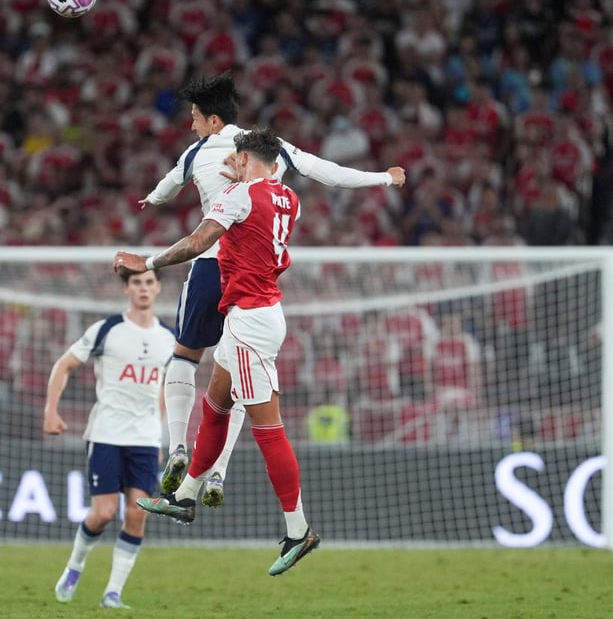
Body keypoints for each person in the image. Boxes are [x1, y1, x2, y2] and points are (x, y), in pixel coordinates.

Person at [140, 72, 405, 505]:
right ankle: (218, 472)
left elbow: (167, 189)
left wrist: (150, 199)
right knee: (244, 374)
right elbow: (328, 173)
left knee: (186, 357)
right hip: (256, 279)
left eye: (193, 117)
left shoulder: (196, 153)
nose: (191, 125)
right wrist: (382, 177)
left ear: (210, 120)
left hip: (212, 265)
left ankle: (177, 449)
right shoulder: (269, 147)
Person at [116, 127, 319, 576]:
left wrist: (145, 264)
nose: (233, 163)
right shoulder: (288, 197)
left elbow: (197, 243)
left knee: (270, 429)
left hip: (249, 322)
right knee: (215, 405)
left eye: (237, 158)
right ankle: (185, 497)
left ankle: (298, 529)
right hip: (259, 312)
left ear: (245, 159)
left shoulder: (239, 197)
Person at [44, 269, 176, 609]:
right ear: (126, 289)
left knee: (137, 513)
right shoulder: (107, 329)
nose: (144, 288)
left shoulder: (169, 338)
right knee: (102, 513)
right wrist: (51, 411)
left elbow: (165, 389)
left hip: (145, 438)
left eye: (149, 282)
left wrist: (159, 435)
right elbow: (64, 365)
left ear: (158, 288)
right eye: (137, 283)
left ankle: (112, 594)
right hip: (106, 432)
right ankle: (74, 568)